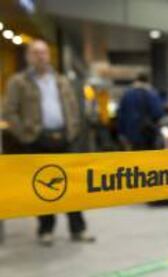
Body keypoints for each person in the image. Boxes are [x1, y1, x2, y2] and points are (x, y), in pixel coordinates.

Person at [3, 39, 95, 247]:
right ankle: (45, 229)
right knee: (44, 187)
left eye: (44, 52)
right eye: (36, 53)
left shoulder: (61, 80)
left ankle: (78, 228)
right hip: (37, 140)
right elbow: (9, 112)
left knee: (73, 186)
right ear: (28, 56)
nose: (41, 57)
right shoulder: (19, 82)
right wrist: (26, 135)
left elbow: (72, 108)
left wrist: (73, 130)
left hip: (64, 138)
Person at [117, 73, 164, 151]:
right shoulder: (152, 94)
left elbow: (121, 116)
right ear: (147, 81)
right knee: (149, 160)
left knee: (134, 159)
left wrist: (122, 133)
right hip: (149, 135)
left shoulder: (127, 95)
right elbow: (158, 113)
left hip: (131, 135)